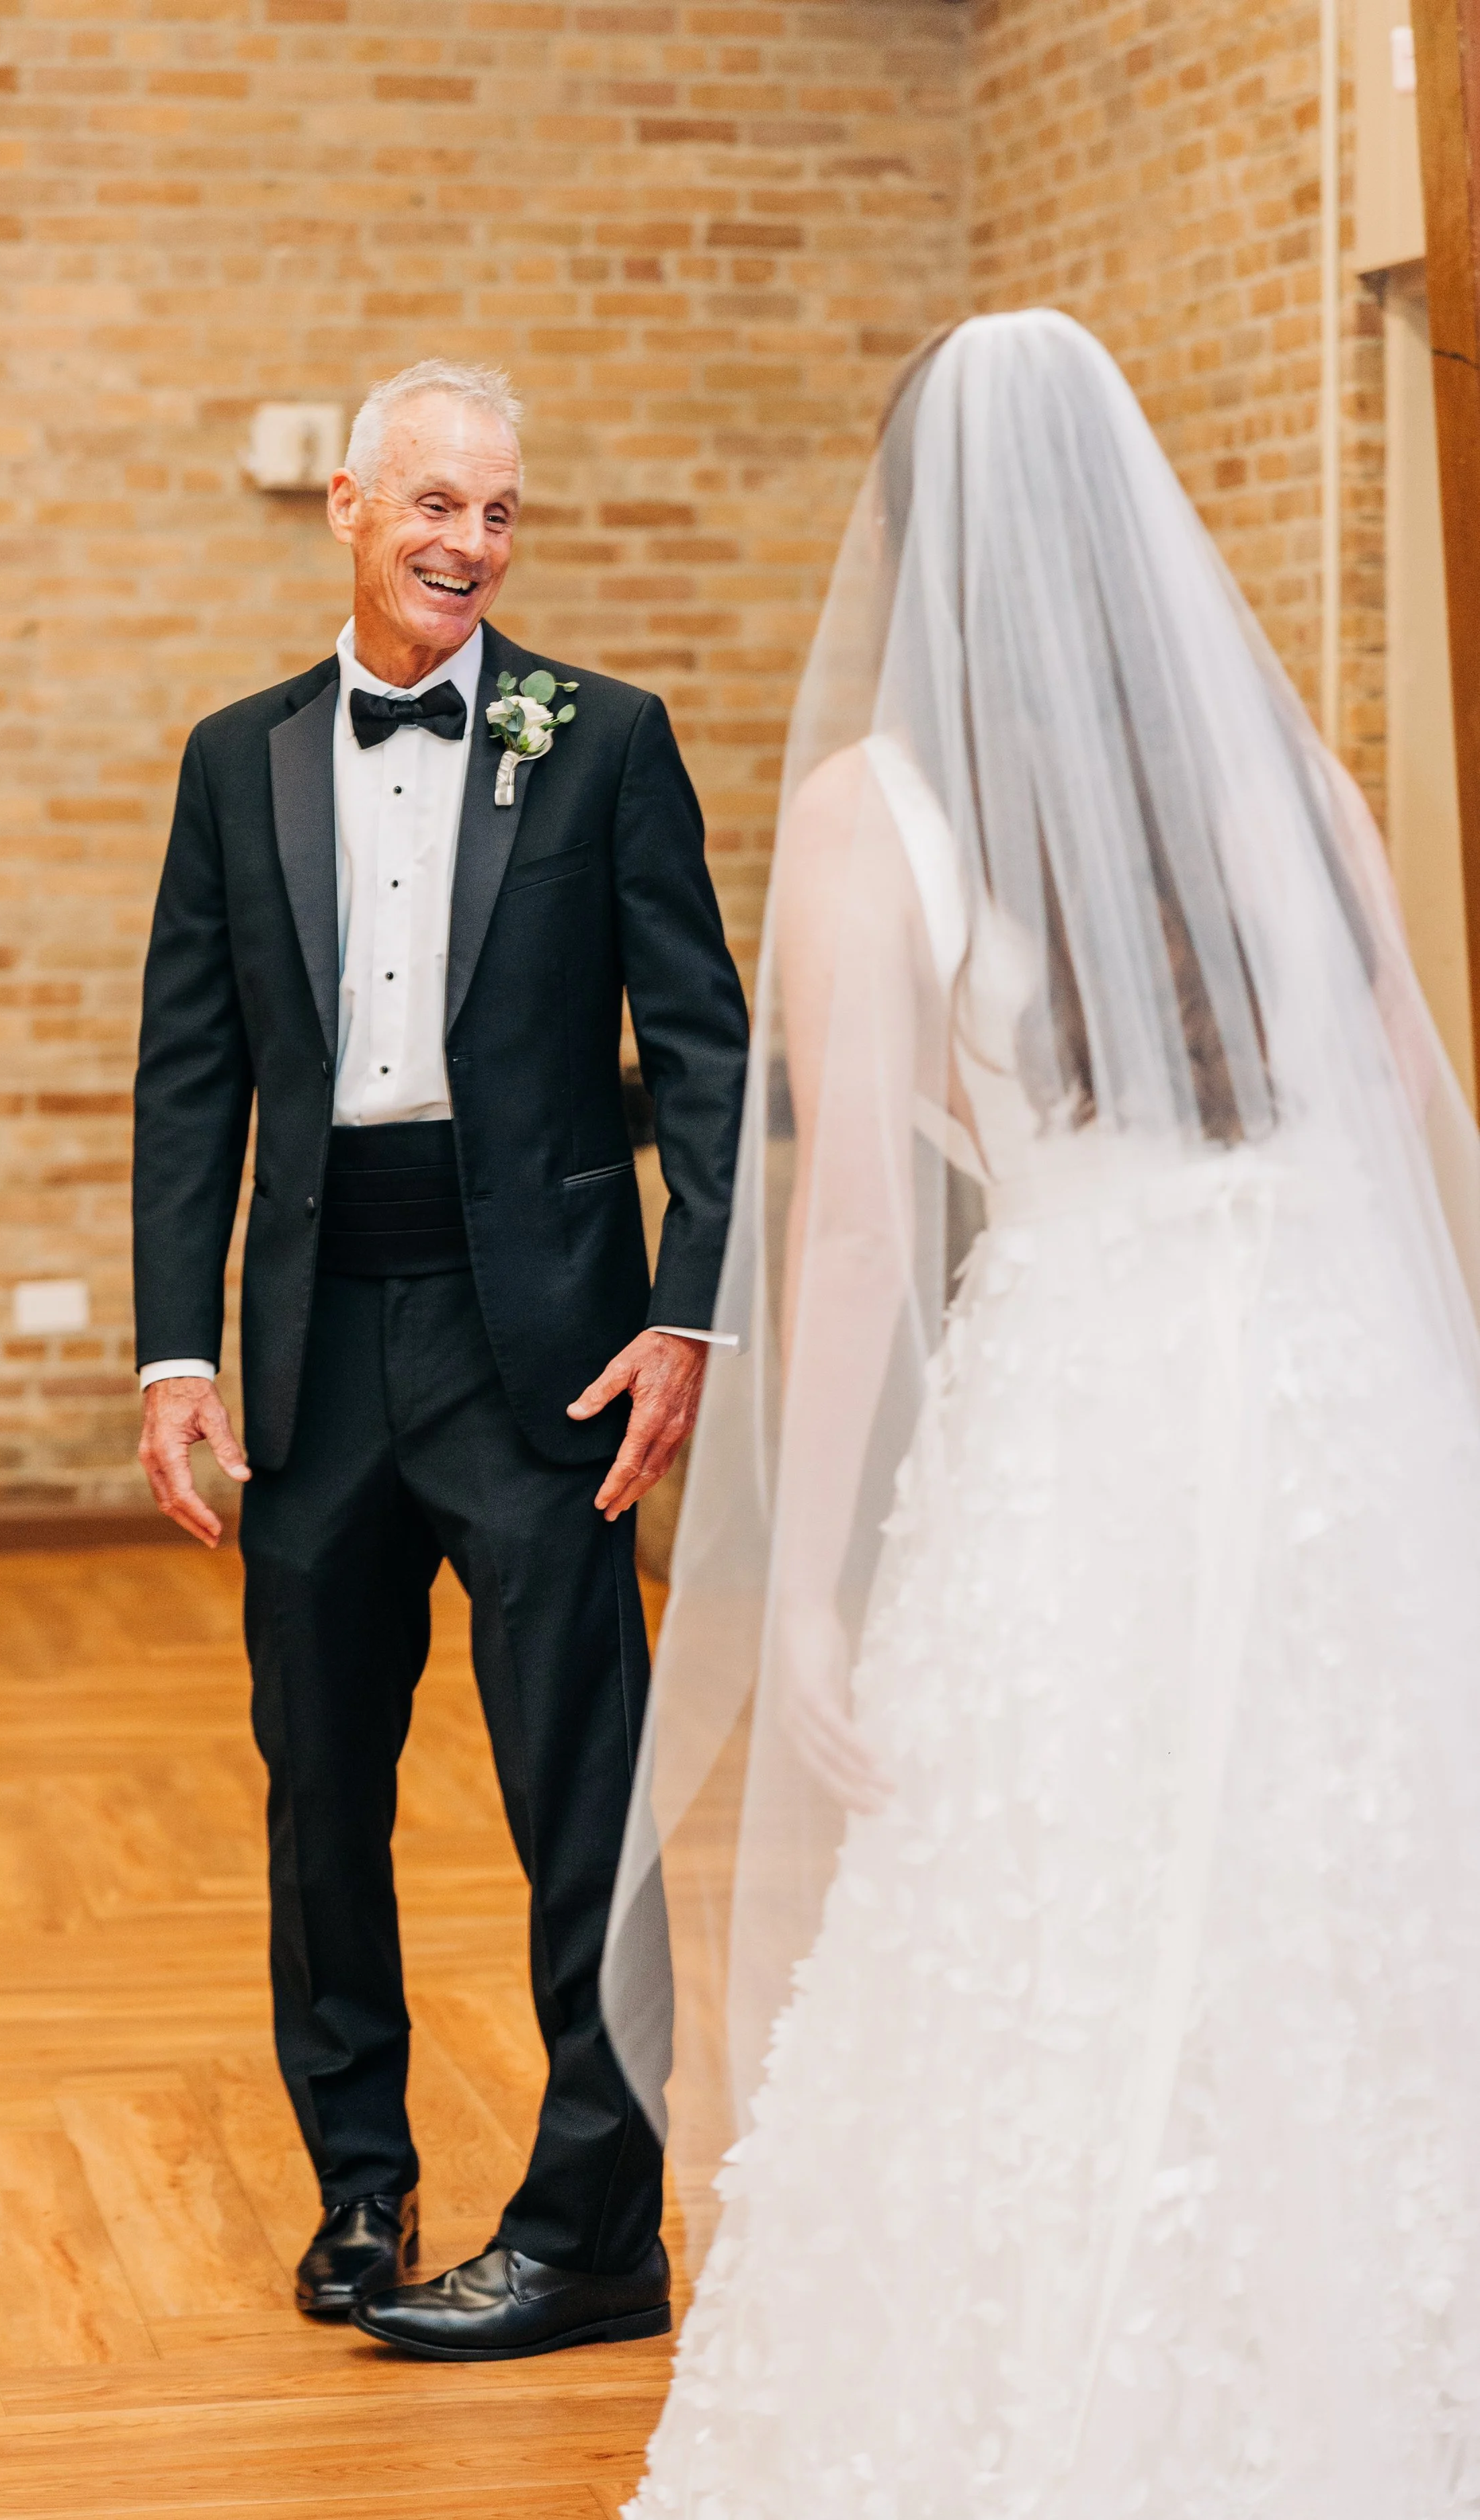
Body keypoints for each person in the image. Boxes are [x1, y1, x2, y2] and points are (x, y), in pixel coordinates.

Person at [604, 310, 1480, 2513]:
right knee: (1335, 1859)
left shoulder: (870, 814)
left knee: (1058, 1894)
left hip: (1085, 1405)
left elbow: (856, 1236)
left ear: (912, 535)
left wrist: (798, 1591)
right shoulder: (1289, 777)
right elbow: (1395, 1113)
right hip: (1324, 1399)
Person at [132, 359, 747, 2360]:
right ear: (344, 504)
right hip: (314, 1355)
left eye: (499, 512)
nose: (469, 543)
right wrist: (170, 1349)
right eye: (435, 506)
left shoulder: (603, 742)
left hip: (547, 1356)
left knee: (584, 1790)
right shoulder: (236, 760)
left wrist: (687, 1308)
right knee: (322, 1790)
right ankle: (360, 2187)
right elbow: (191, 1074)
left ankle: (594, 2213)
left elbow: (710, 1050)